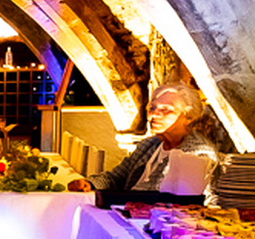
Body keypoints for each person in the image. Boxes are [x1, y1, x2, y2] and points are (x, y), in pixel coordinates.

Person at [90, 82, 220, 197]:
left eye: (165, 109)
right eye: (152, 108)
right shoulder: (150, 144)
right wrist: (90, 184)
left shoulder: (198, 153)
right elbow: (117, 178)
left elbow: (179, 200)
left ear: (189, 117)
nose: (154, 114)